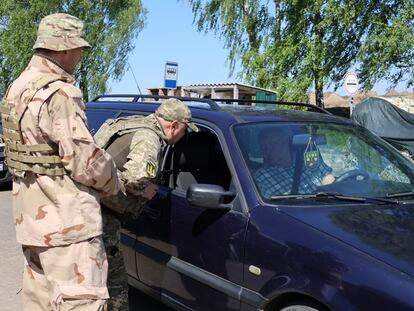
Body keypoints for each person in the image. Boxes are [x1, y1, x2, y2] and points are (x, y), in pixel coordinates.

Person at [0, 13, 120, 310]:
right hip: (69, 227)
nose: (80, 56)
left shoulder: (17, 88)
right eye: (79, 48)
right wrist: (114, 180)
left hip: (33, 224)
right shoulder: (61, 92)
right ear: (65, 47)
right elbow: (84, 161)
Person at [93, 98, 198, 310]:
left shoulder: (131, 124)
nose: (184, 135)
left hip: (89, 206)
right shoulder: (149, 138)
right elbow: (135, 178)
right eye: (185, 130)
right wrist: (146, 190)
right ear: (173, 126)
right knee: (114, 287)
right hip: (101, 215)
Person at [254, 127, 334, 198]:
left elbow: (329, 180)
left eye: (273, 144)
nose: (268, 150)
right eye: (264, 147)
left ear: (285, 141)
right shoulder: (262, 175)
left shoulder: (307, 159)